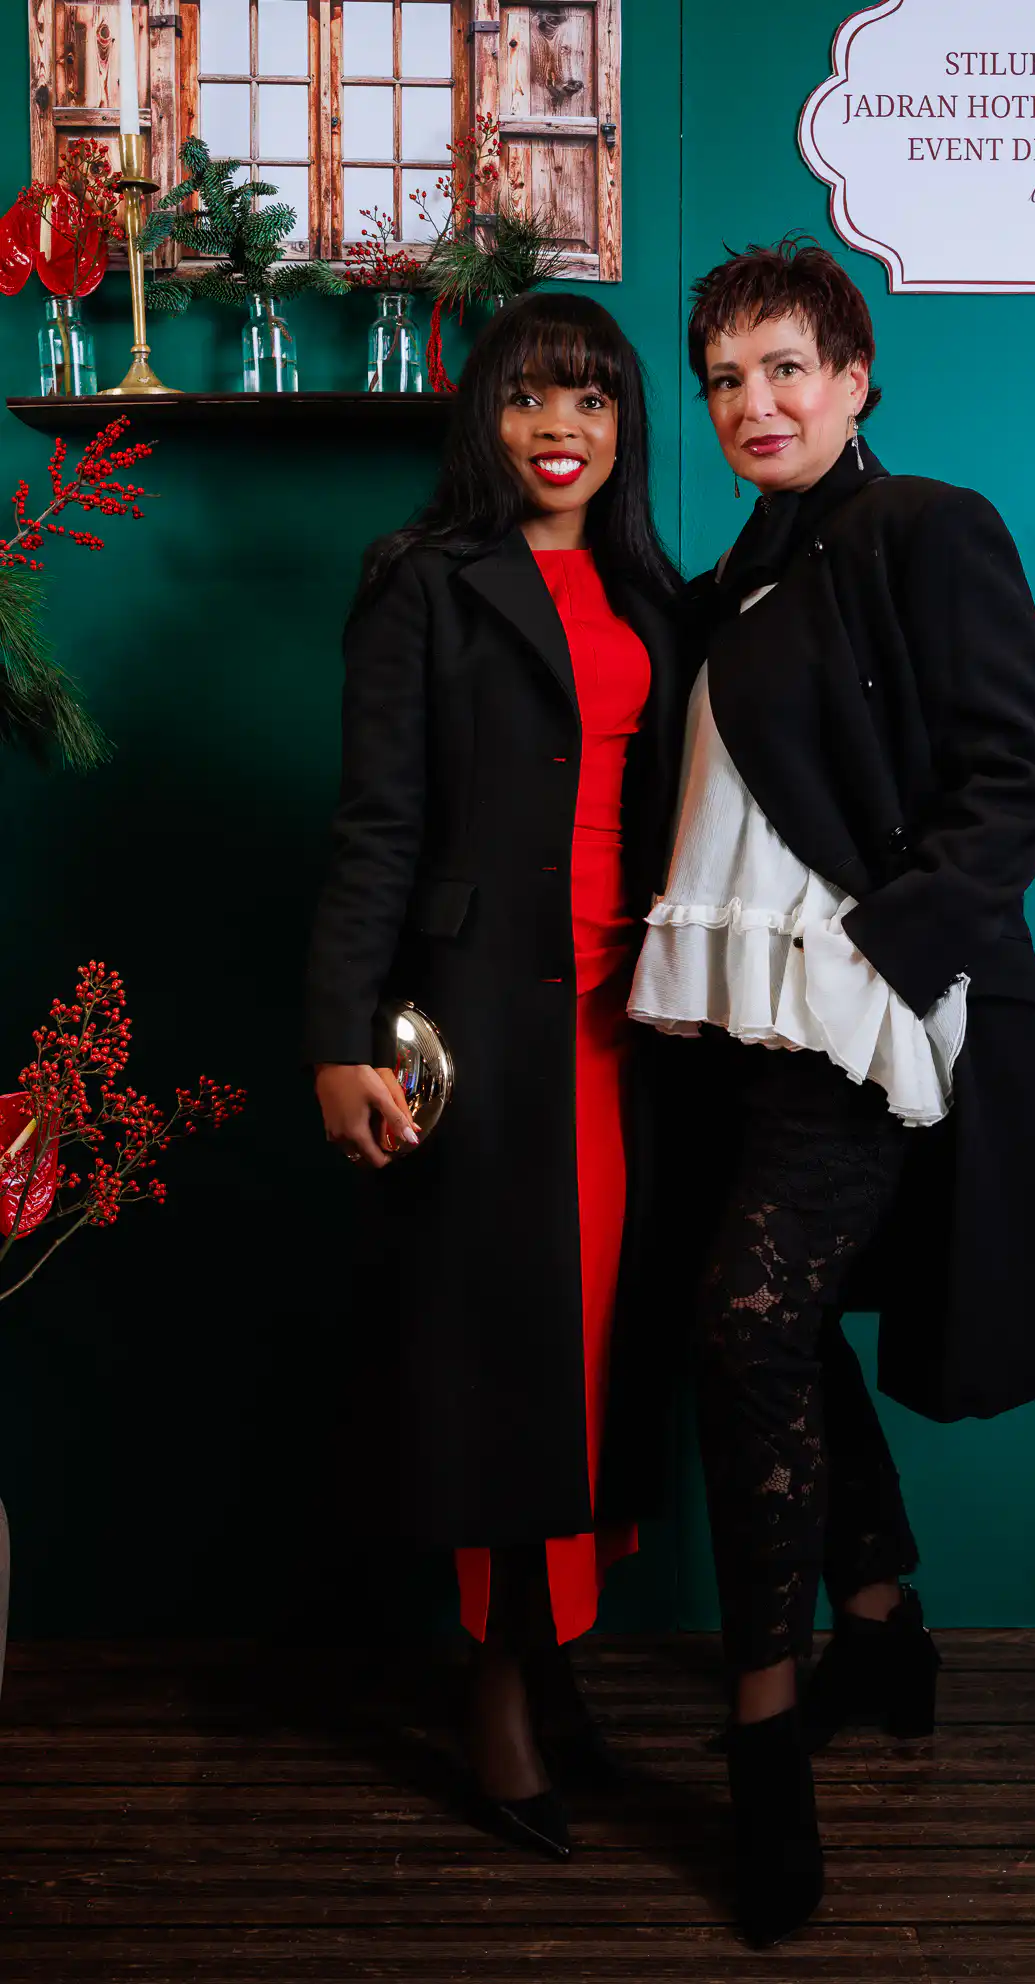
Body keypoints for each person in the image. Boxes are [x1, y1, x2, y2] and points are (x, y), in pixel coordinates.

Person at [629, 238, 1035, 1947]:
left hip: (862, 1015)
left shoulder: (925, 529)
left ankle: (764, 1753)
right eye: (724, 379)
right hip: (727, 1022)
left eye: (786, 368)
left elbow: (1015, 774)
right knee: (779, 1322)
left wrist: (883, 957)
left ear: (854, 377)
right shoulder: (722, 581)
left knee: (742, 1326)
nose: (755, 402)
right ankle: (881, 1631)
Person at [303, 293, 682, 1861]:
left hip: (636, 1025)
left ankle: (562, 1659)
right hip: (481, 1023)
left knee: (604, 1360)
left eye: (590, 398)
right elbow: (376, 823)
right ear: (484, 415)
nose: (560, 427)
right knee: (502, 1360)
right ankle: (500, 1687)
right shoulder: (422, 581)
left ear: (623, 424)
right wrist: (339, 1037)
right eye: (529, 395)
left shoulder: (657, 591)